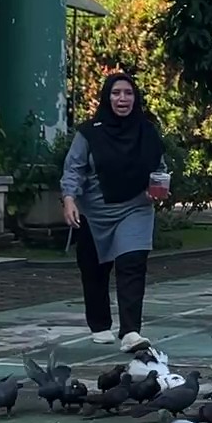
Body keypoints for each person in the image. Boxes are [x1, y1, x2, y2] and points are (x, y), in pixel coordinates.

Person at [62, 72, 169, 344]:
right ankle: (99, 324)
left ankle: (131, 331)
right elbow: (74, 168)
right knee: (93, 269)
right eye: (116, 93)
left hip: (136, 206)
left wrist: (158, 188)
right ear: (107, 97)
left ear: (136, 98)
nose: (122, 99)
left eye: (128, 93)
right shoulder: (89, 132)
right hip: (94, 211)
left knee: (131, 264)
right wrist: (69, 199)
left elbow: (159, 168)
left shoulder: (147, 131)